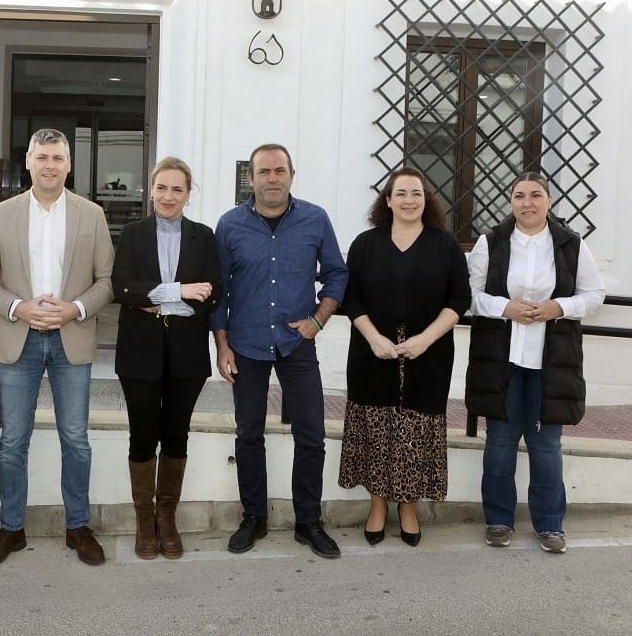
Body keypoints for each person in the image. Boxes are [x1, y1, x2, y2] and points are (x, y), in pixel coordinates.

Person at [0, 128, 114, 568]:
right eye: (42, 157)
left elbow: (106, 282)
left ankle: (78, 526)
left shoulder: (91, 214)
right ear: (28, 162)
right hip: (21, 340)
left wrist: (74, 309)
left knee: (76, 439)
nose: (50, 164)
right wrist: (18, 307)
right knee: (13, 440)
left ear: (69, 165)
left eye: (58, 157)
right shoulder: (2, 214)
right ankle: (11, 528)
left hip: (71, 338)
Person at [212, 143, 348, 559]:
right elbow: (218, 291)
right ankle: (254, 516)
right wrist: (222, 346)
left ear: (292, 174)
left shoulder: (315, 219)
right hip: (246, 345)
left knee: (312, 434)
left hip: (297, 344)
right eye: (264, 171)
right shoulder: (230, 224)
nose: (272, 178)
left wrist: (318, 320)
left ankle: (309, 521)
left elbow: (337, 275)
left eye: (279, 170)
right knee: (248, 433)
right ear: (250, 178)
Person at [466, 172, 605, 553]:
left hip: (551, 361)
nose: (527, 202)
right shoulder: (490, 242)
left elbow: (595, 295)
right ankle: (497, 520)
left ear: (549, 200)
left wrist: (558, 307)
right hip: (501, 360)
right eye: (519, 195)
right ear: (510, 201)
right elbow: (470, 295)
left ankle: (550, 525)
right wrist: (503, 307)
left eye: (535, 195)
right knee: (500, 441)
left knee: (546, 446)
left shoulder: (571, 245)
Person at [338, 166, 470, 547]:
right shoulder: (366, 243)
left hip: (427, 356)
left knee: (415, 431)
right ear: (388, 200)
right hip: (371, 353)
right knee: (375, 429)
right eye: (401, 193)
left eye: (417, 193)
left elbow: (459, 299)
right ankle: (378, 505)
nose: (409, 200)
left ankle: (408, 507)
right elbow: (352, 296)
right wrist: (373, 337)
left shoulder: (445, 245)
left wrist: (426, 340)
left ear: (426, 199)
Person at [112, 156, 221, 560]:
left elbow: (214, 293)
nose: (168, 196)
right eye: (162, 188)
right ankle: (145, 520)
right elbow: (122, 288)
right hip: (139, 355)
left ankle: (167, 518)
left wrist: (155, 299)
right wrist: (179, 292)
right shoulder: (132, 232)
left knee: (176, 435)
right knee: (142, 435)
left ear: (188, 195)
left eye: (177, 189)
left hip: (187, 355)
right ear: (151, 190)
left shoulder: (204, 237)